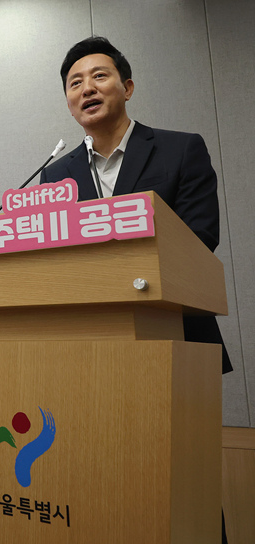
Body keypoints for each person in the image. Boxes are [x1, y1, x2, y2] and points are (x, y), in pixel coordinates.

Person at [40, 36, 233, 375]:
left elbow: (199, 238)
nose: (87, 88)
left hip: (171, 326)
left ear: (127, 88)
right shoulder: (55, 176)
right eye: (76, 83)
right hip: (86, 335)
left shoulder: (180, 149)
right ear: (69, 104)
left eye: (99, 76)